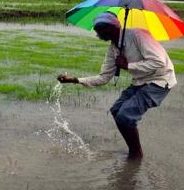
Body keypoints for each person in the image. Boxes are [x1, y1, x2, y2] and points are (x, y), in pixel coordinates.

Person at [57, 11, 176, 160]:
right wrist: (74, 80)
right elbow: (104, 77)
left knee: (126, 115)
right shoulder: (114, 48)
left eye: (99, 31)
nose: (97, 36)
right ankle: (133, 150)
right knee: (116, 111)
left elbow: (159, 62)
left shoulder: (139, 35)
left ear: (110, 28)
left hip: (159, 80)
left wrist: (128, 65)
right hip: (140, 81)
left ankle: (136, 155)